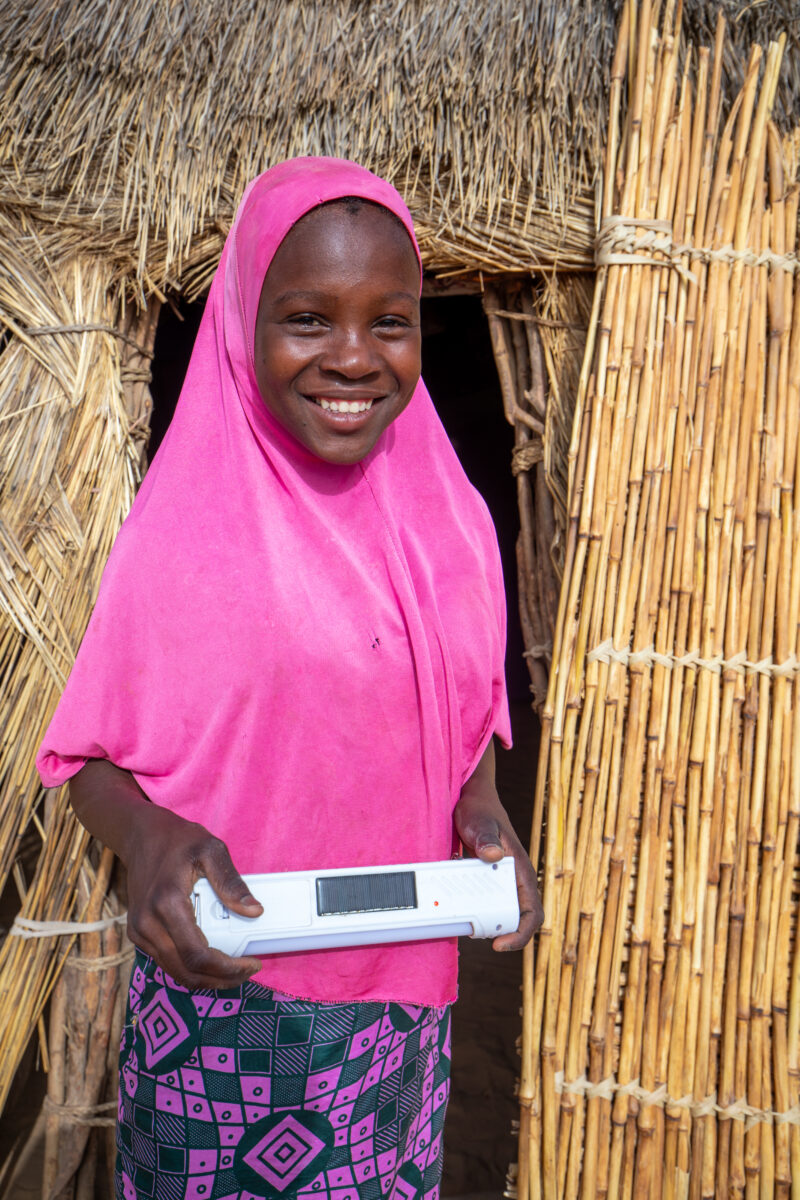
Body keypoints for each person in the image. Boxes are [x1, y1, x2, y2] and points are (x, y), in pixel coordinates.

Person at [37, 157, 543, 1200]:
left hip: (400, 1004)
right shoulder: (184, 534)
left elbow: (461, 716)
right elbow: (86, 757)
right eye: (308, 319)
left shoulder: (449, 520)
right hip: (223, 1003)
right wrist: (147, 837)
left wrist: (481, 809)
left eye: (389, 322)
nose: (352, 357)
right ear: (242, 323)